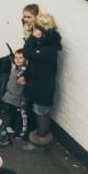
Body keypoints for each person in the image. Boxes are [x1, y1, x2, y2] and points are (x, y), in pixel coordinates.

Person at [22, 13, 62, 147]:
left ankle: (40, 139)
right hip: (37, 84)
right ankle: (37, 135)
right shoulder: (45, 41)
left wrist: (33, 38)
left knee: (41, 112)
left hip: (43, 87)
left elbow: (27, 53)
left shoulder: (49, 48)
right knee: (38, 110)